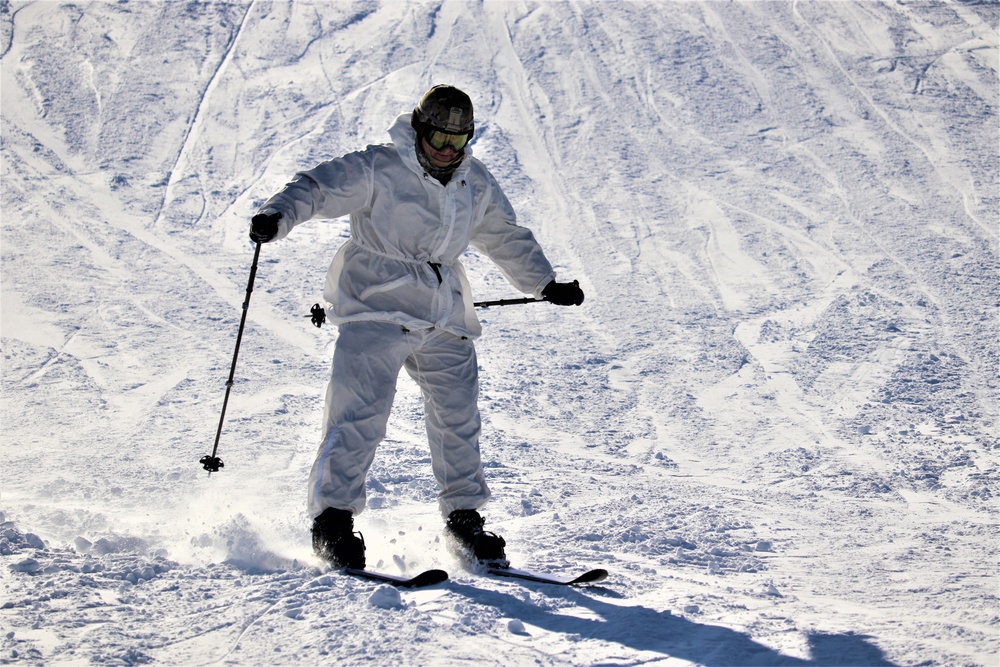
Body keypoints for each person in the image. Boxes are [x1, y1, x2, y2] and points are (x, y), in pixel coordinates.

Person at [249, 84, 584, 570]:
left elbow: (504, 235)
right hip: (375, 305)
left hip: (442, 311)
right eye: (438, 139)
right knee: (360, 414)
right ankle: (332, 522)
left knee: (458, 416)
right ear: (419, 129)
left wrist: (544, 282)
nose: (447, 151)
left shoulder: (476, 182)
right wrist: (276, 216)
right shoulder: (379, 167)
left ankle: (463, 520)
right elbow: (319, 188)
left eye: (458, 141)